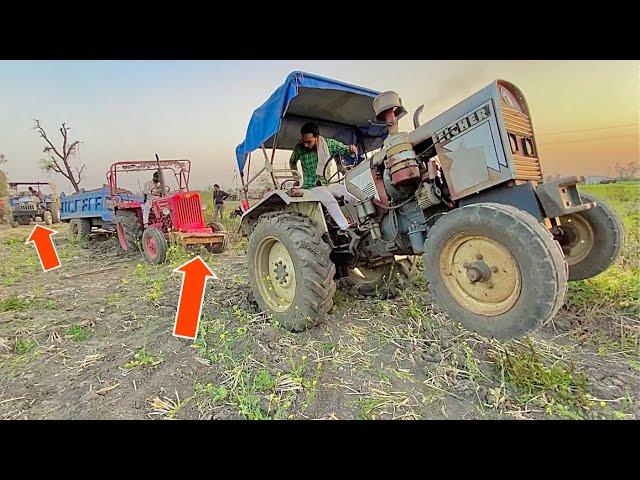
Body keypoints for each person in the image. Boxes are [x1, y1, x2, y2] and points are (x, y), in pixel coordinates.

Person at [289, 122, 359, 230]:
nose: (306, 145)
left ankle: (367, 218)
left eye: (309, 142)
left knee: (350, 192)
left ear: (317, 138)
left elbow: (344, 149)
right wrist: (296, 178)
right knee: (330, 200)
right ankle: (345, 226)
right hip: (312, 186)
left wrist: (351, 149)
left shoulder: (329, 144)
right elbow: (292, 161)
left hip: (328, 183)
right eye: (304, 142)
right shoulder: (299, 148)